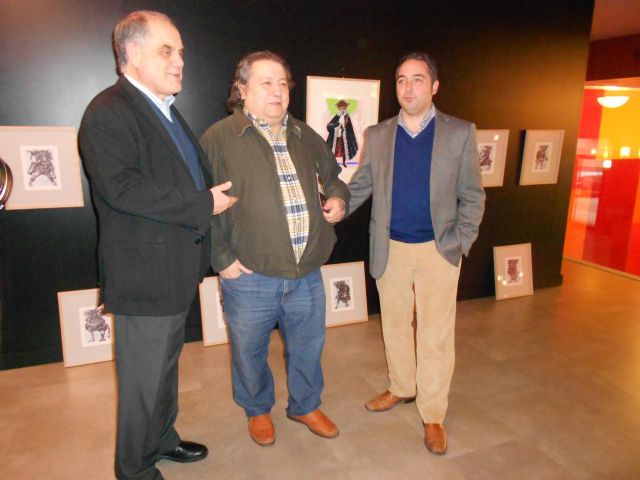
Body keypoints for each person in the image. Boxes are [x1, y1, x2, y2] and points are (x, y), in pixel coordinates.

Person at [78, 10, 236, 479]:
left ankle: (162, 440)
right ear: (130, 55)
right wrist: (201, 204)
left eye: (181, 51)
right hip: (144, 277)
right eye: (166, 50)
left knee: (164, 372)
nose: (179, 61)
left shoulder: (162, 109)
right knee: (142, 384)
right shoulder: (108, 111)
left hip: (173, 271)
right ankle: (135, 469)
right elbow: (121, 189)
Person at [200, 51, 350, 447]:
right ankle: (257, 410)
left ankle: (304, 404)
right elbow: (202, 202)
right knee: (249, 352)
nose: (277, 90)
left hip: (307, 272)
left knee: (308, 346)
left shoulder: (304, 134)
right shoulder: (219, 138)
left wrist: (338, 199)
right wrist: (222, 259)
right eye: (266, 82)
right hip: (249, 274)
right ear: (242, 90)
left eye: (283, 83)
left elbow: (334, 178)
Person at [348, 52, 485, 455]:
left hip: (437, 250)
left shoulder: (459, 133)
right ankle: (402, 387)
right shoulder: (378, 135)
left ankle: (433, 413)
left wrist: (460, 242)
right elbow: (361, 186)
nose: (408, 88)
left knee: (435, 335)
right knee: (393, 324)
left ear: (435, 86)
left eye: (418, 80)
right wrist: (334, 207)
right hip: (389, 247)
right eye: (401, 80)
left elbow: (473, 195)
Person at [326, 99, 358, 167]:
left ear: (345, 109)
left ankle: (344, 163)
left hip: (344, 137)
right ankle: (334, 163)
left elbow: (350, 129)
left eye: (344, 109)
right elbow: (329, 125)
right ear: (339, 110)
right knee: (335, 149)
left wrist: (345, 129)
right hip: (336, 136)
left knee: (343, 150)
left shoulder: (347, 118)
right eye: (341, 109)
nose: (342, 110)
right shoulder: (336, 117)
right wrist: (337, 125)